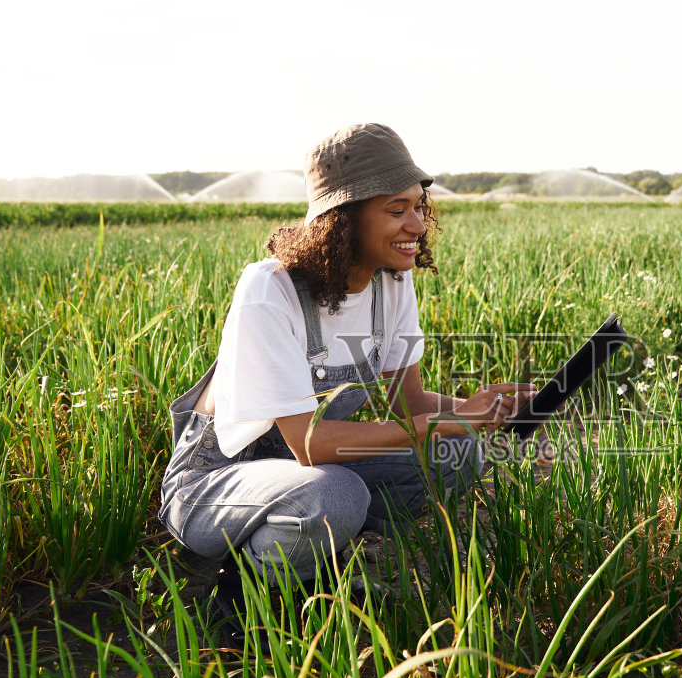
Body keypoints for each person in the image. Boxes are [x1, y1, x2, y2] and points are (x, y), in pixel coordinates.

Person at [158, 123, 532, 632]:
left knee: (458, 454)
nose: (417, 226)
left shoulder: (391, 284)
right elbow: (310, 445)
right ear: (343, 219)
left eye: (419, 206)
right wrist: (438, 425)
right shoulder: (271, 289)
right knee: (334, 494)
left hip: (307, 475)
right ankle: (242, 599)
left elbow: (410, 402)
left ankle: (314, 561)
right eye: (396, 211)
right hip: (215, 485)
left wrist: (478, 409)